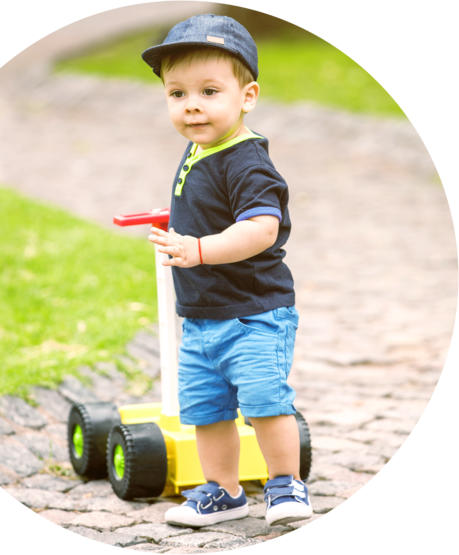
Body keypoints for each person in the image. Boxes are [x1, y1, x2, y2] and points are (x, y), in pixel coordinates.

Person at [141, 13, 313, 528]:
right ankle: (223, 491)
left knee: (264, 401)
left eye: (210, 90)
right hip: (202, 317)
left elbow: (261, 228)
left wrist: (197, 249)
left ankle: (285, 485)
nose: (191, 105)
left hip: (254, 314)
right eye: (177, 93)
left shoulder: (247, 162)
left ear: (248, 96)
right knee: (206, 410)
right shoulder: (200, 148)